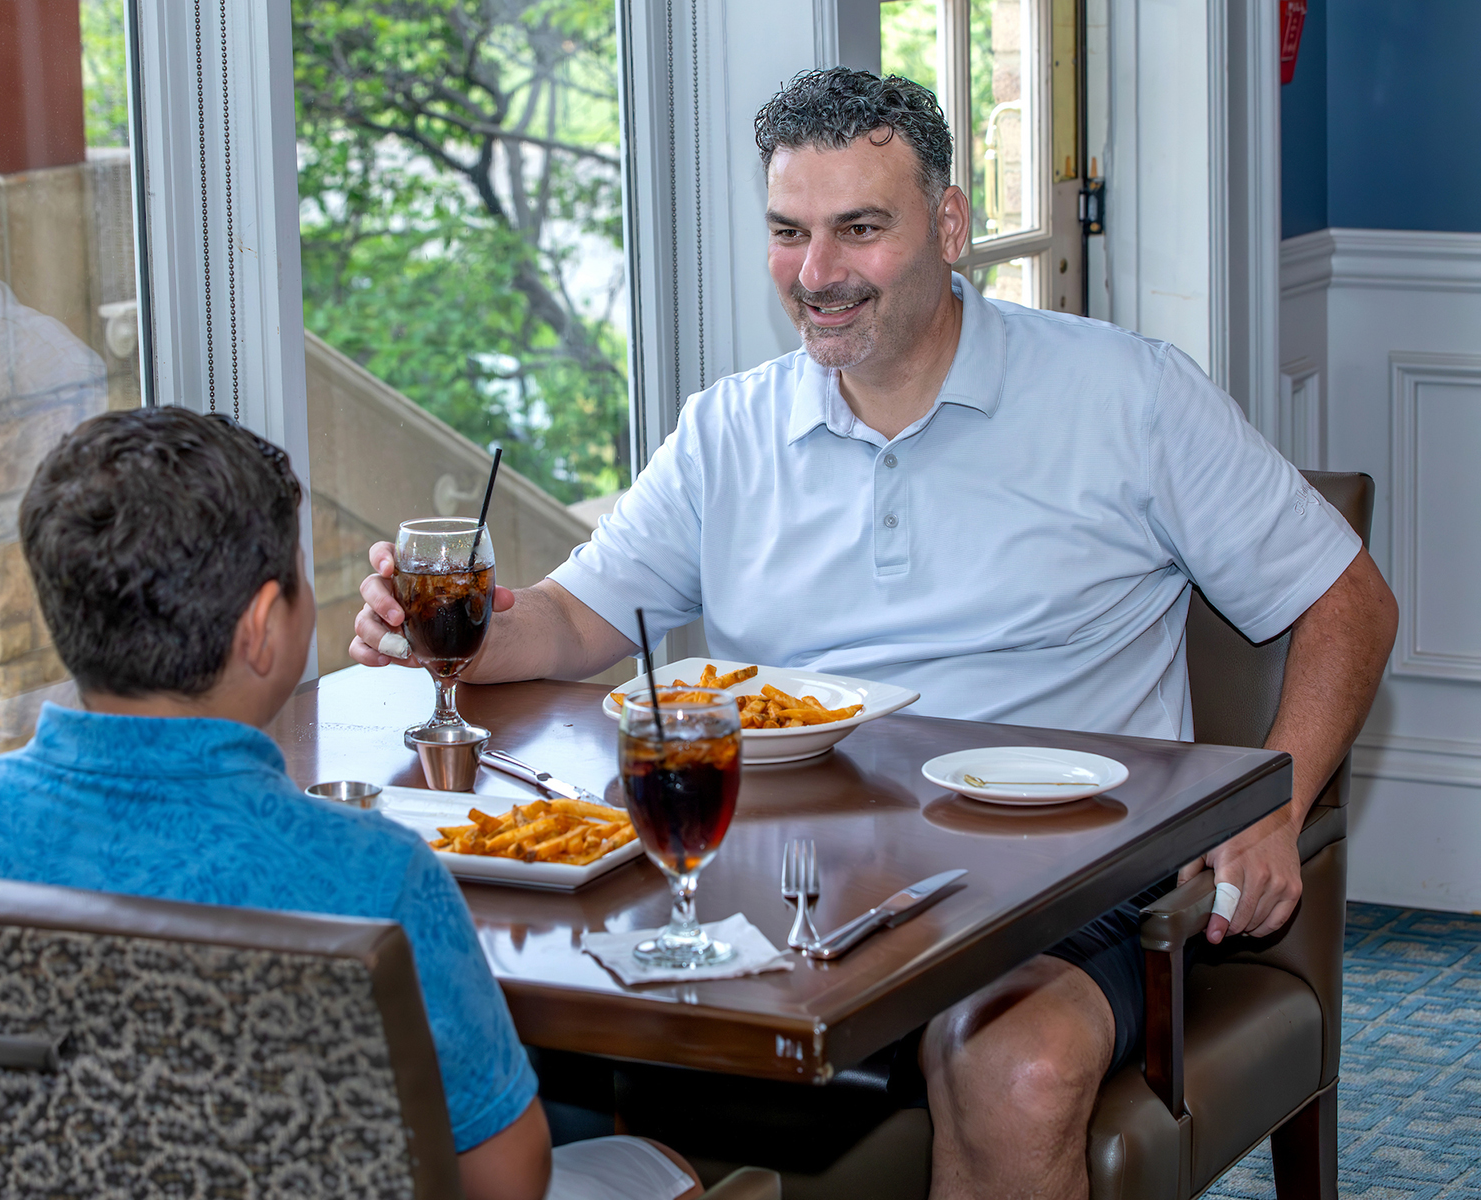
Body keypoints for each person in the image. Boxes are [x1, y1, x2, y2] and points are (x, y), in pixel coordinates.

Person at [350, 68, 1398, 1199]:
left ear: (949, 225)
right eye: (788, 233)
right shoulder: (727, 429)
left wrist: (1276, 807)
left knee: (1015, 1070)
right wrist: (456, 637)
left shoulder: (1128, 395)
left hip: (1070, 883)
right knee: (478, 990)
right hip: (783, 883)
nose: (817, 274)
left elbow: (1348, 600)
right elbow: (569, 621)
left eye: (859, 229)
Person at [0, 407, 704, 1200]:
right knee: (660, 1162)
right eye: (300, 574)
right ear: (261, 627)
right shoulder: (370, 875)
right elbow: (507, 1178)